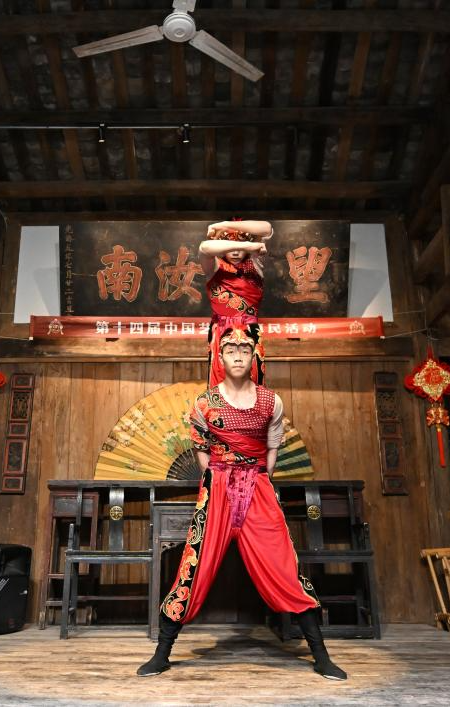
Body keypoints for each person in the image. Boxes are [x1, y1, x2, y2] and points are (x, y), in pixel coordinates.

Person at [137, 329, 347, 681]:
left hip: (258, 487)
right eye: (230, 349)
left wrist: (256, 477)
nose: (237, 355)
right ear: (219, 357)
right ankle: (162, 654)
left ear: (254, 357)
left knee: (284, 565)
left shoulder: (270, 402)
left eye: (244, 349)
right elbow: (201, 449)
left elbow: (272, 449)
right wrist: (219, 477)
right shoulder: (204, 403)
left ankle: (321, 656)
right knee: (195, 564)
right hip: (217, 487)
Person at [199, 220, 272, 388]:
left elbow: (266, 228)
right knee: (219, 382)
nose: (236, 251)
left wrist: (223, 225)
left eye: (240, 245)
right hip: (221, 330)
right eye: (230, 246)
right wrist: (248, 246)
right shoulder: (214, 266)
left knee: (253, 381)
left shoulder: (255, 264)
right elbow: (204, 248)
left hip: (249, 330)